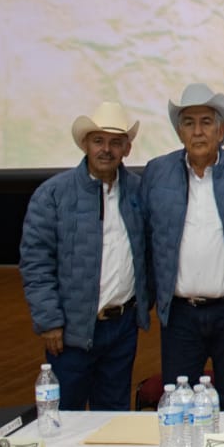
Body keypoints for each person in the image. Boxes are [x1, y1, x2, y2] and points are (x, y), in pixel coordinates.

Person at [141, 83, 224, 410]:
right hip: (180, 314)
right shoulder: (156, 174)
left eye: (205, 122)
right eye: (189, 123)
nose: (198, 131)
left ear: (221, 130)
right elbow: (143, 237)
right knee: (179, 403)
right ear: (180, 132)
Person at [19, 101, 149, 410]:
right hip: (71, 330)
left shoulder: (139, 191)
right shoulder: (53, 195)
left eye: (115, 142)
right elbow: (36, 262)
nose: (106, 149)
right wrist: (49, 321)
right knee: (65, 418)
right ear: (85, 145)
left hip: (122, 327)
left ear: (127, 149)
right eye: (98, 141)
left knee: (115, 416)